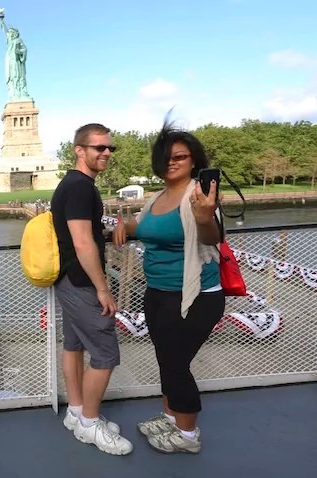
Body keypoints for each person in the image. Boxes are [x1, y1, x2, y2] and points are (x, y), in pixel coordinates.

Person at [113, 121, 224, 454]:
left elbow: (212, 237)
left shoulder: (199, 196)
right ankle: (171, 417)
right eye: (167, 157)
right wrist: (123, 225)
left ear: (194, 161)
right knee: (166, 358)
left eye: (181, 156)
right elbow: (142, 224)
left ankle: (188, 436)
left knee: (176, 363)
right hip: (158, 293)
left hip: (195, 297)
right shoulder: (157, 198)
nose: (173, 162)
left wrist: (205, 217)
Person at [51, 123, 133, 456]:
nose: (107, 153)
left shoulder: (71, 186)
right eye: (99, 148)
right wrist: (103, 288)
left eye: (110, 148)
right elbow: (83, 242)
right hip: (82, 282)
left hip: (67, 278)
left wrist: (109, 227)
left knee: (73, 345)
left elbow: (83, 231)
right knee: (105, 353)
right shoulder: (81, 187)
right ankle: (89, 422)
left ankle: (75, 411)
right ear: (80, 150)